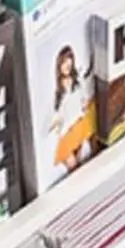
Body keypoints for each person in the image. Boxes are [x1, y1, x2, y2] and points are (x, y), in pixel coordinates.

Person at [50, 44, 96, 172]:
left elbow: (84, 99)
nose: (66, 66)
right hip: (66, 131)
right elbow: (57, 113)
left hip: (78, 123)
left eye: (69, 63)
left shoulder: (77, 82)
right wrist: (56, 123)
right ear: (59, 64)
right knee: (72, 165)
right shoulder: (58, 91)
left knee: (79, 164)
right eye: (64, 62)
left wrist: (85, 106)